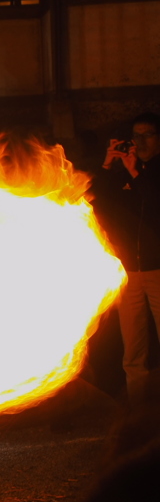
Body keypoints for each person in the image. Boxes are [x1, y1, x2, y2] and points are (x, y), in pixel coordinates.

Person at [89, 112, 160, 404]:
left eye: (147, 135)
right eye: (136, 136)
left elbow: (155, 202)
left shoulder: (150, 173)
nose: (140, 141)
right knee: (133, 349)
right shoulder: (123, 173)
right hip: (129, 274)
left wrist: (135, 173)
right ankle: (140, 407)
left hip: (158, 270)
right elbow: (95, 200)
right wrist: (108, 164)